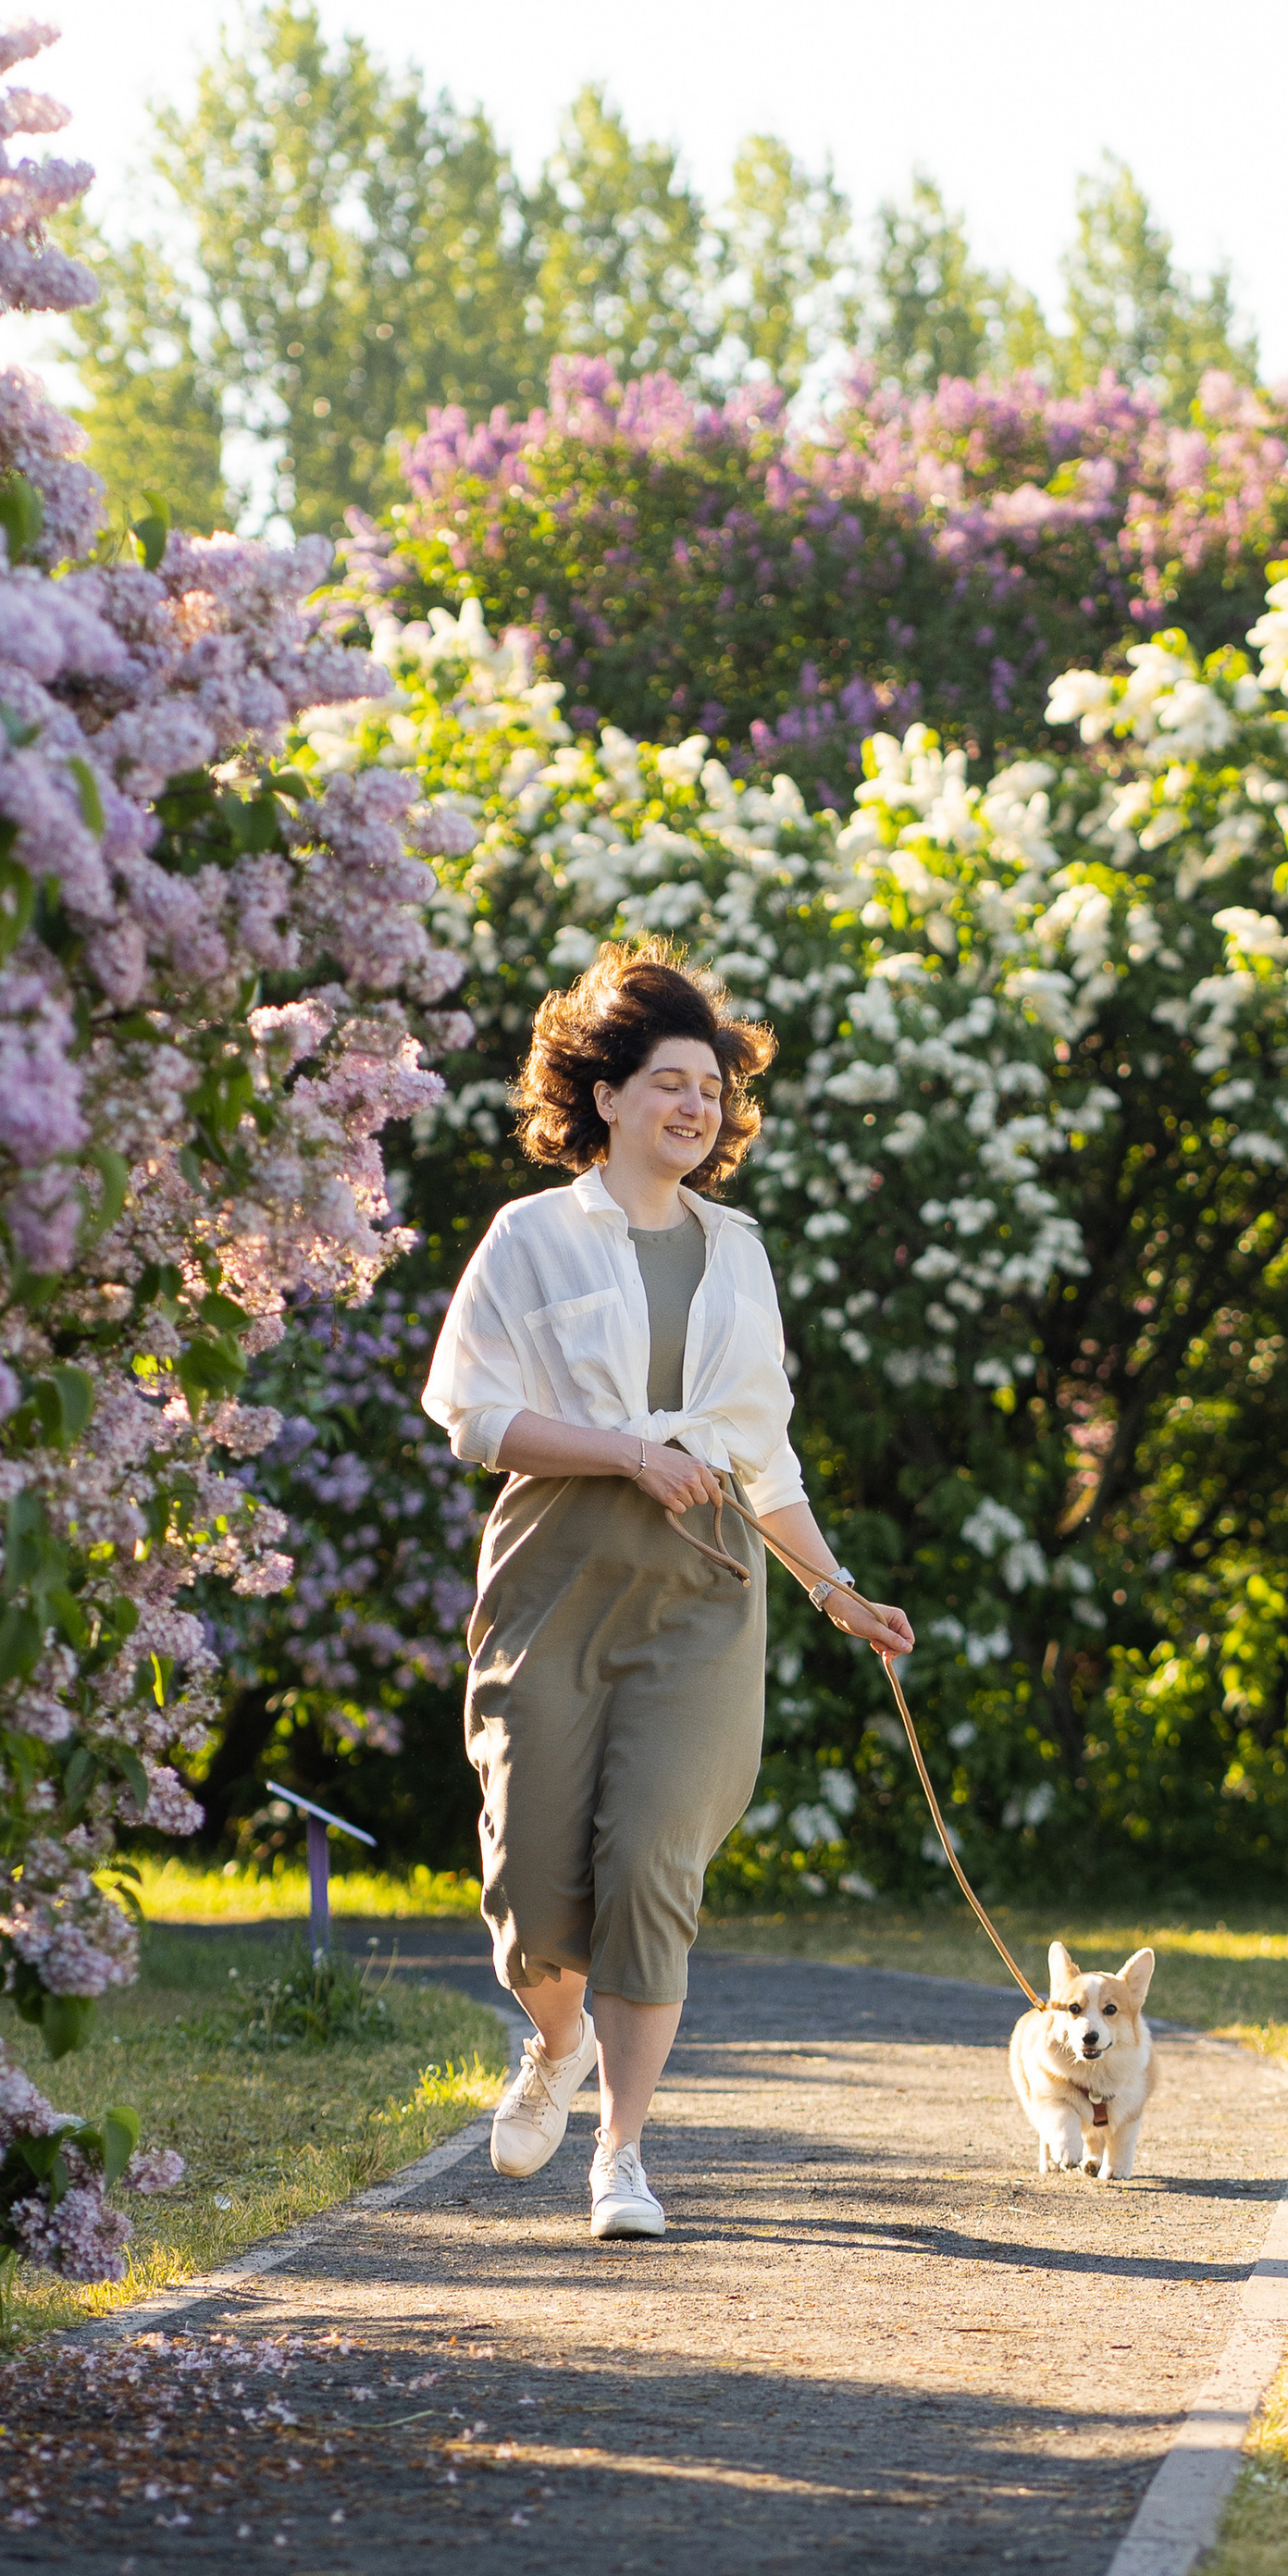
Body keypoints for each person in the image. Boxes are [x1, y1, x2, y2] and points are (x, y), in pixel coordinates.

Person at [422, 938, 912, 2241]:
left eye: (711, 1088)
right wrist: (629, 1452)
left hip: (703, 1591)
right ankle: (553, 2043)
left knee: (651, 1867)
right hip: (555, 1579)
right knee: (534, 1882)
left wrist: (837, 1592)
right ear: (604, 1096)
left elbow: (763, 1456)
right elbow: (471, 1413)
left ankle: (623, 2158)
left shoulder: (739, 1252)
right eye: (667, 1084)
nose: (695, 1108)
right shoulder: (530, 1239)